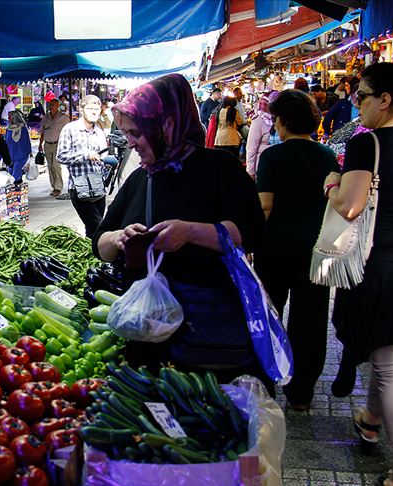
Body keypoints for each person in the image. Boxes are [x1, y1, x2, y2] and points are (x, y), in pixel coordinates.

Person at [96, 73, 267, 390]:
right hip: (147, 336)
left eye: (138, 133)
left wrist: (190, 232)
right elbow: (100, 243)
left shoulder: (219, 168)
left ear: (167, 126)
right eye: (126, 133)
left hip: (206, 335)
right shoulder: (140, 179)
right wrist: (119, 239)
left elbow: (252, 233)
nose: (131, 142)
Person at [325, 63, 393, 486]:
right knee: (392, 347)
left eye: (362, 95)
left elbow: (349, 207)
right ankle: (369, 420)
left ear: (385, 101)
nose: (356, 103)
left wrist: (332, 183)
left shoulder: (369, 144)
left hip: (385, 265)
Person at [254, 89, 338, 411]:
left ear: (284, 121)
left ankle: (265, 383)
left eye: (276, 119)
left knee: (270, 314)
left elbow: (265, 206)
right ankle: (302, 393)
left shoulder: (272, 157)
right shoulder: (327, 156)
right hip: (316, 252)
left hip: (274, 250)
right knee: (311, 320)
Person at [57, 95, 108, 238]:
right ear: (81, 110)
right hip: (80, 188)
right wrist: (85, 155)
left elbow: (103, 158)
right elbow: (61, 156)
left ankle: (92, 256)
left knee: (92, 230)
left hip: (98, 187)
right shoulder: (70, 129)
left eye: (97, 109)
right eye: (90, 109)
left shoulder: (99, 131)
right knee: (98, 226)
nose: (94, 112)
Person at [39, 98, 71, 198]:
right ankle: (53, 186)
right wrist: (40, 144)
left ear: (58, 106)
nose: (51, 106)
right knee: (50, 166)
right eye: (50, 104)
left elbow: (68, 132)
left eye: (53, 104)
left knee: (55, 165)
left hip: (58, 144)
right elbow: (42, 132)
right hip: (47, 144)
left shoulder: (64, 117)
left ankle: (58, 187)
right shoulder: (45, 117)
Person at [245, 91, 278, 179]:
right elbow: (251, 148)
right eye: (260, 103)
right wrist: (250, 171)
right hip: (262, 166)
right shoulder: (258, 121)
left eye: (266, 104)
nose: (262, 107)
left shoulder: (279, 120)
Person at [5, 109, 32, 182]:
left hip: (21, 153)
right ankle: (15, 184)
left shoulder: (23, 128)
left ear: (14, 117)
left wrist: (30, 151)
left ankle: (14, 184)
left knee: (16, 170)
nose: (8, 118)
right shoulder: (8, 128)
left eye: (9, 117)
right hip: (10, 153)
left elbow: (27, 140)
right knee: (10, 170)